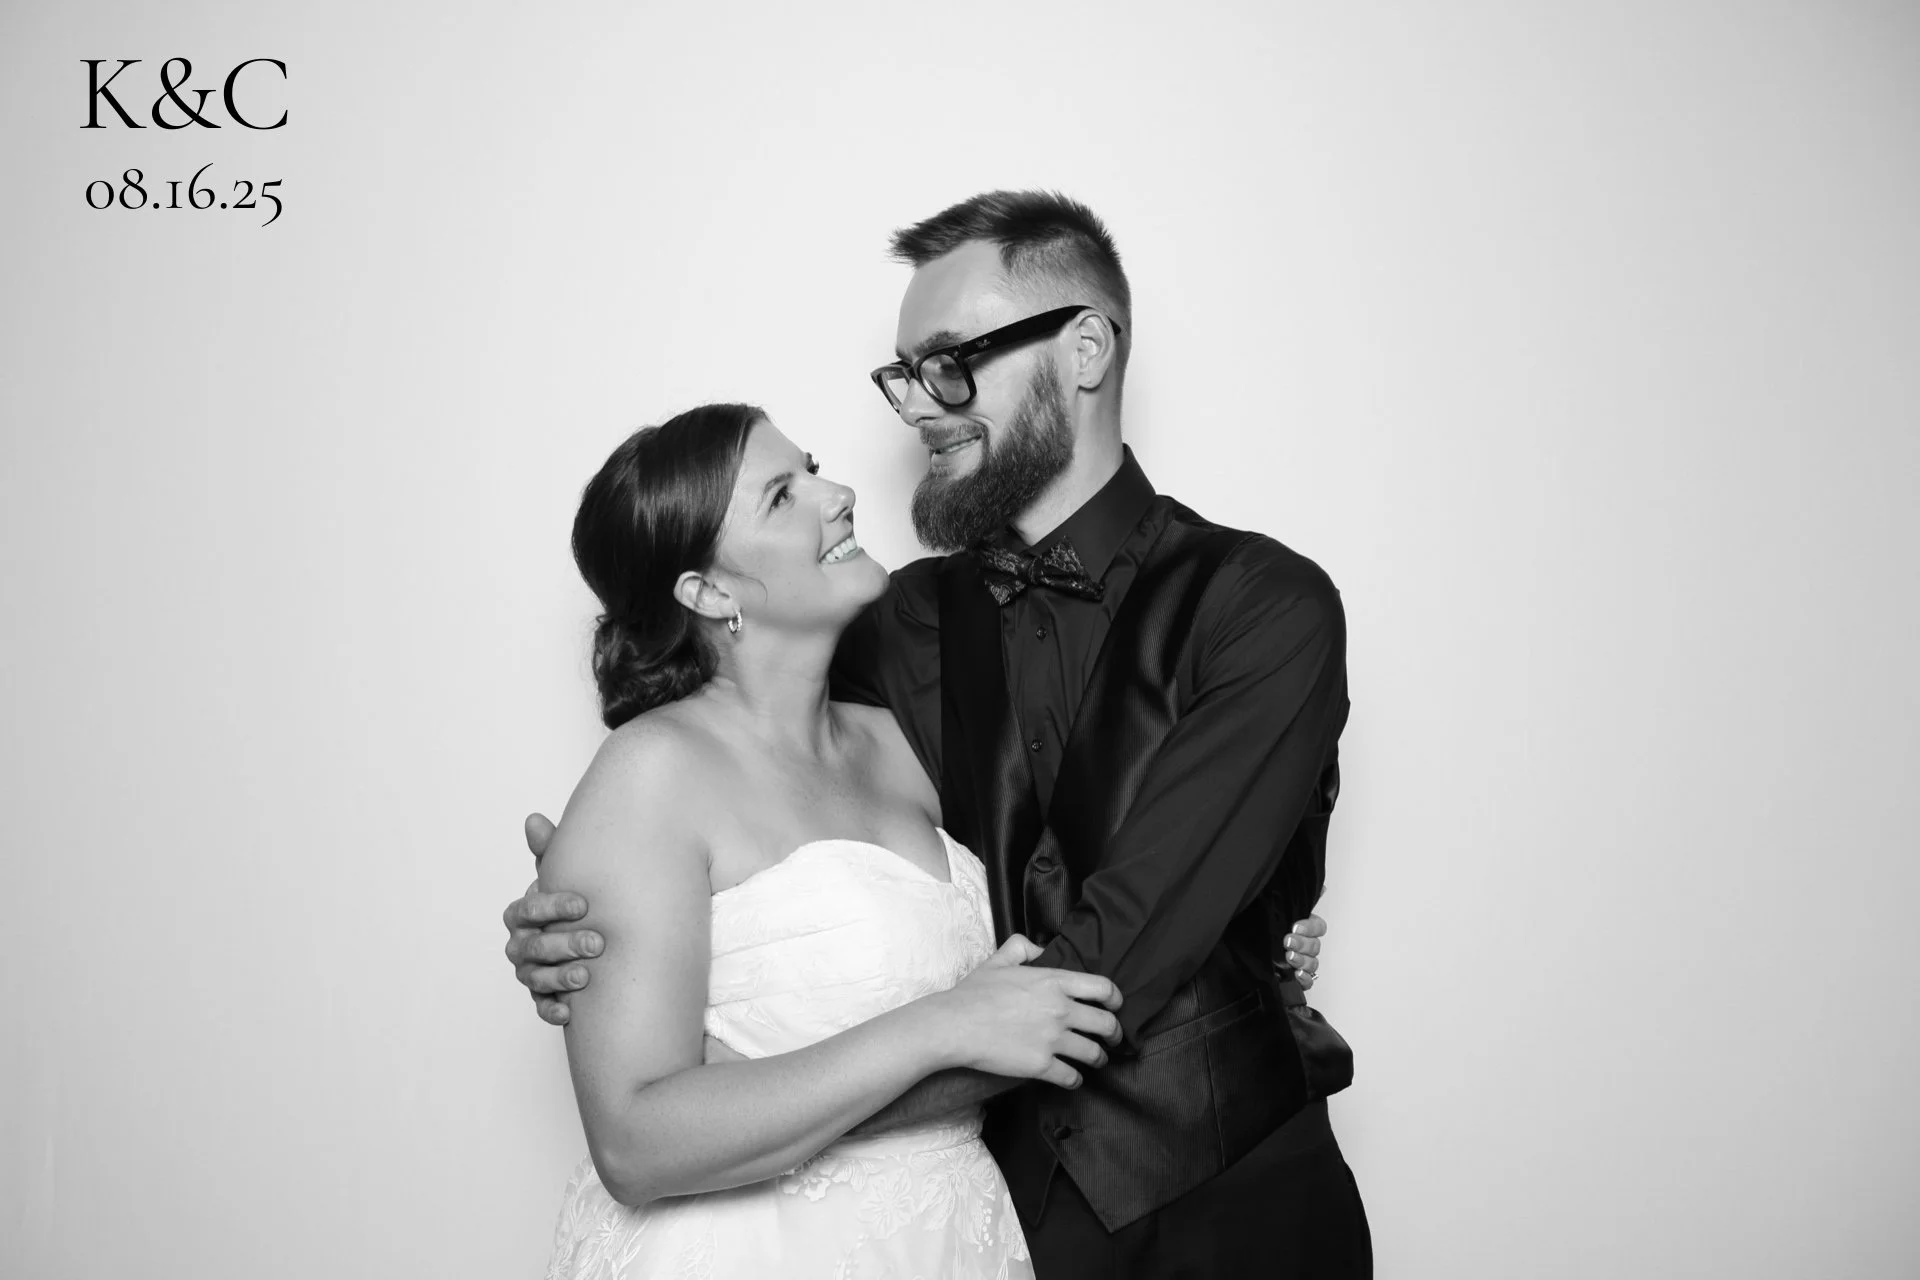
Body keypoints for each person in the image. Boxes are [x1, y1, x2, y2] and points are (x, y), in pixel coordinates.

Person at [510, 191, 1370, 1276]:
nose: (918, 406)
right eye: (905, 373)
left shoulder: (1267, 605)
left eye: (951, 362)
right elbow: (716, 786)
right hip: (987, 1221)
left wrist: (718, 1121)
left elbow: (1110, 964)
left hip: (1235, 1206)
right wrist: (585, 939)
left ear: (1087, 348)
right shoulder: (887, 619)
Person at [540, 401, 1127, 1278]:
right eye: (783, 495)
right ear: (708, 592)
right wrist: (943, 1025)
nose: (840, 493)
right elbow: (633, 1143)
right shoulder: (651, 772)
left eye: (812, 466)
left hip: (942, 1238)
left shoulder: (901, 747)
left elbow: (1073, 874)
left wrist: (1263, 930)